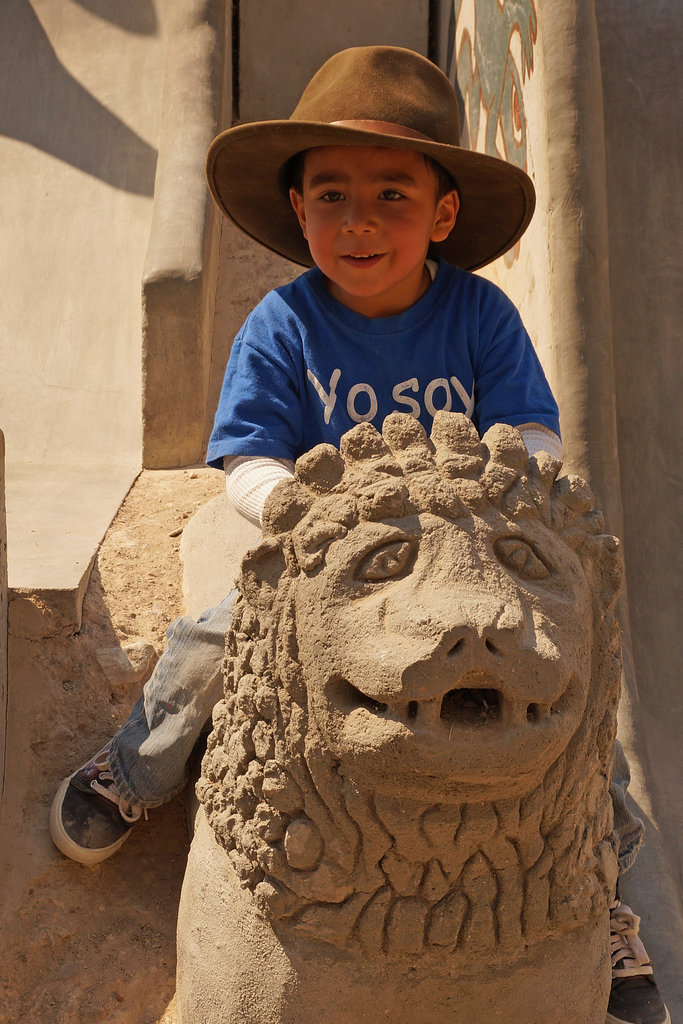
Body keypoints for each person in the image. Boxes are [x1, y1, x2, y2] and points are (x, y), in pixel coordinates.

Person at [49, 46, 668, 1024]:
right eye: (331, 196)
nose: (360, 219)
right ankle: (135, 767)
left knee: (572, 713)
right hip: (334, 560)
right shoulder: (282, 325)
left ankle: (606, 898)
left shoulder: (479, 316)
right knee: (212, 638)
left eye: (390, 192)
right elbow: (244, 456)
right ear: (298, 213)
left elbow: (532, 429)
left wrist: (502, 476)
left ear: (443, 213)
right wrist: (302, 509)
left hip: (458, 551)